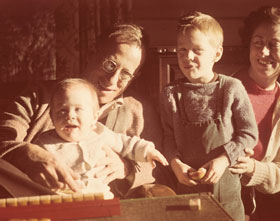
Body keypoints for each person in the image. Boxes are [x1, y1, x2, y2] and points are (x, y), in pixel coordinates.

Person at [0, 23, 165, 198]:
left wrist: (127, 168)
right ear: (90, 54)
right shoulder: (38, 97)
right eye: (110, 65)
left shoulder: (140, 111)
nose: (112, 80)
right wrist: (28, 155)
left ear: (135, 76)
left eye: (125, 74)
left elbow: (159, 168)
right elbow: (3, 138)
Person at [159, 11, 258, 221]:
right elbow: (167, 138)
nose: (188, 57)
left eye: (197, 50)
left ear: (217, 54)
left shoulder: (231, 88)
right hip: (186, 197)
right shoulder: (170, 94)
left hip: (227, 200)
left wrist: (224, 159)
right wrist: (176, 165)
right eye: (182, 50)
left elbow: (249, 134)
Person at [229, 6, 280, 220]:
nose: (264, 52)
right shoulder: (222, 88)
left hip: (256, 210)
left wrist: (252, 168)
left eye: (274, 45)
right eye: (258, 43)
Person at [34, 78, 168, 199]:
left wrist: (147, 151)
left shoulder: (100, 134)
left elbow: (126, 144)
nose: (70, 116)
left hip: (100, 197)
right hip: (61, 200)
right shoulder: (43, 144)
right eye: (62, 111)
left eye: (78, 109)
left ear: (94, 117)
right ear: (52, 117)